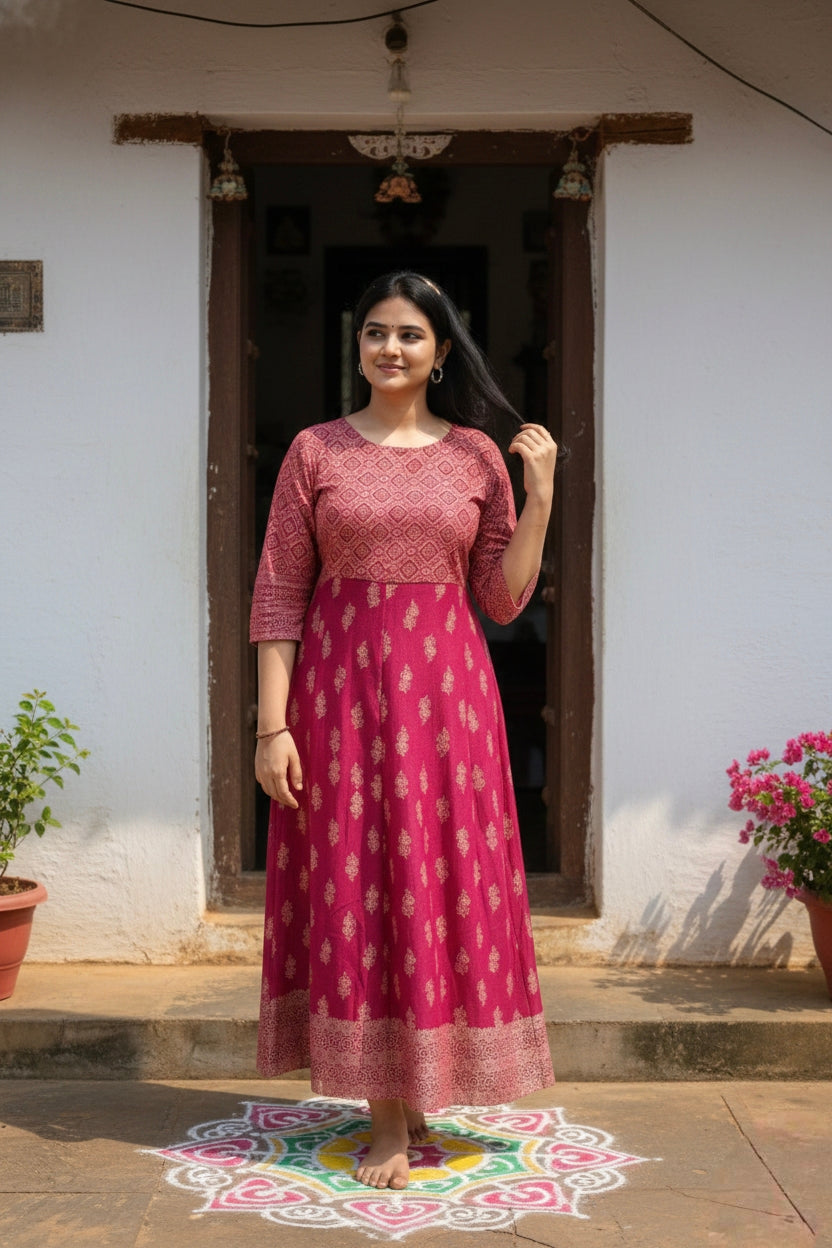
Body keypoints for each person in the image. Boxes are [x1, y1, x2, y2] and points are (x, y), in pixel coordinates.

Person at [250, 270, 557, 1191]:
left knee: (436, 877)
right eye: (376, 332)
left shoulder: (475, 458)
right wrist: (274, 728)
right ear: (357, 344)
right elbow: (278, 590)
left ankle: (419, 1087)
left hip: (450, 702)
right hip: (339, 699)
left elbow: (503, 599)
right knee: (359, 880)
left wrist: (538, 497)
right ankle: (385, 1115)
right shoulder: (315, 451)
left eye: (410, 335)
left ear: (441, 351)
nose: (391, 348)